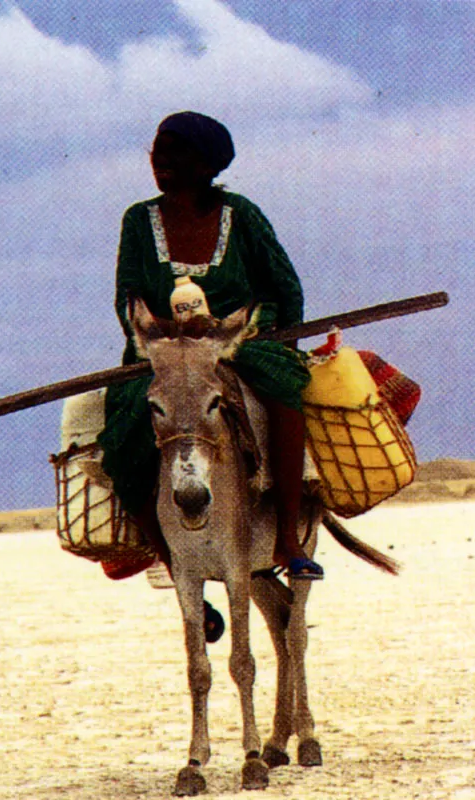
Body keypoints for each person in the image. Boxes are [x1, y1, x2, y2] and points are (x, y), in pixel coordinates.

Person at [97, 111, 324, 591]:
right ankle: (166, 553)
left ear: (207, 165)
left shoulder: (241, 214)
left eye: (177, 157)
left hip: (240, 343)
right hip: (162, 351)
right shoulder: (139, 219)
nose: (164, 165)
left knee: (285, 394)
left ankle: (288, 538)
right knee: (121, 432)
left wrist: (282, 344)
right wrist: (154, 337)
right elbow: (127, 296)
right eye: (159, 155)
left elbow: (286, 287)